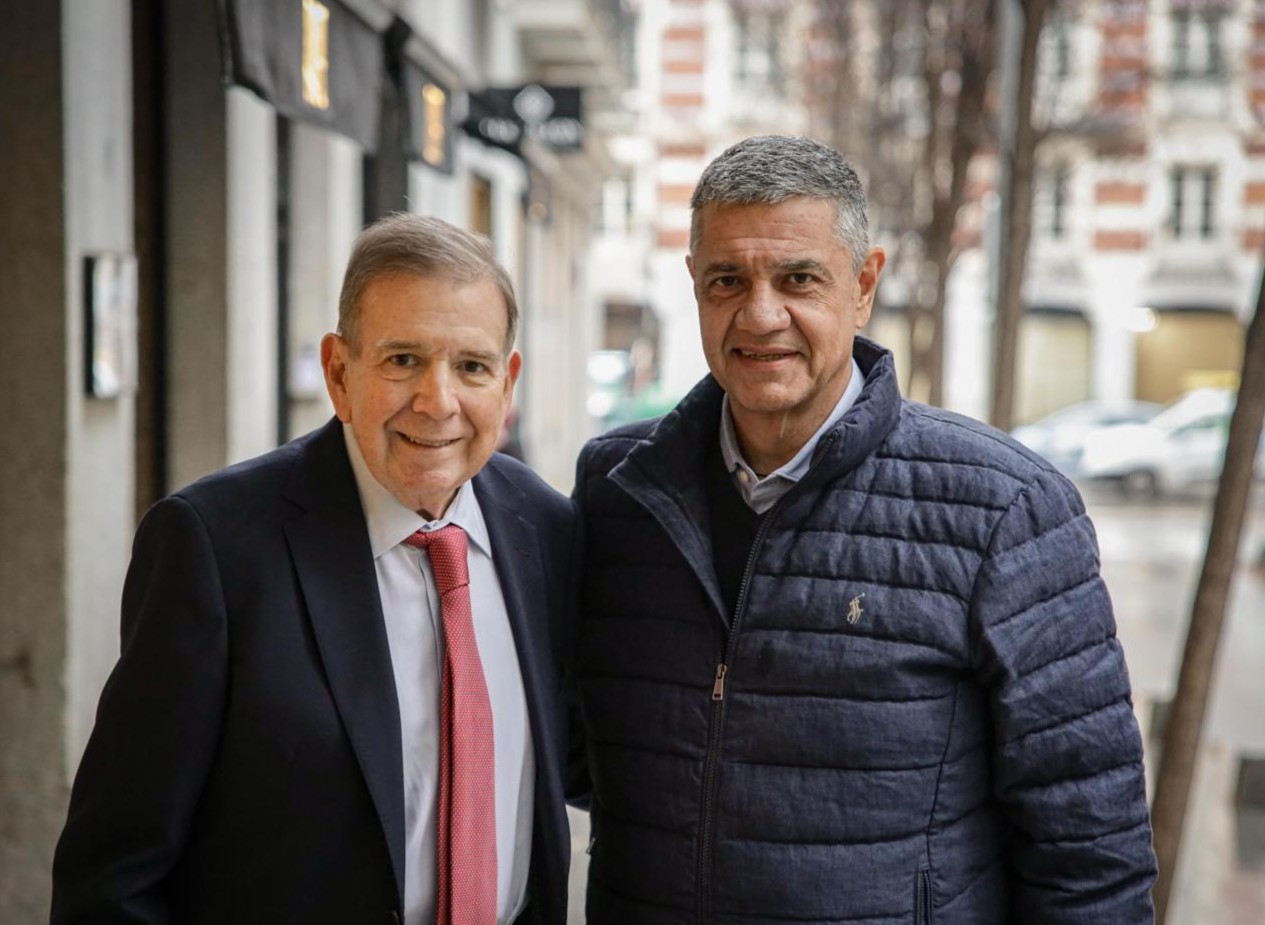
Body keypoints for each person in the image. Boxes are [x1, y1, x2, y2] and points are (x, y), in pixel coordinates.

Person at [570, 135, 1157, 923]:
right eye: (727, 279)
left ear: (863, 284)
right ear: (695, 287)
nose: (760, 312)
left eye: (798, 278)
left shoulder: (1004, 509)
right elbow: (577, 754)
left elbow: (1089, 846)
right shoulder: (617, 492)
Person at [52, 213, 577, 925]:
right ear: (339, 371)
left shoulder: (546, 531)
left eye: (471, 366)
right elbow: (113, 875)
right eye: (401, 360)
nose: (438, 400)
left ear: (506, 383)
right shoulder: (216, 546)